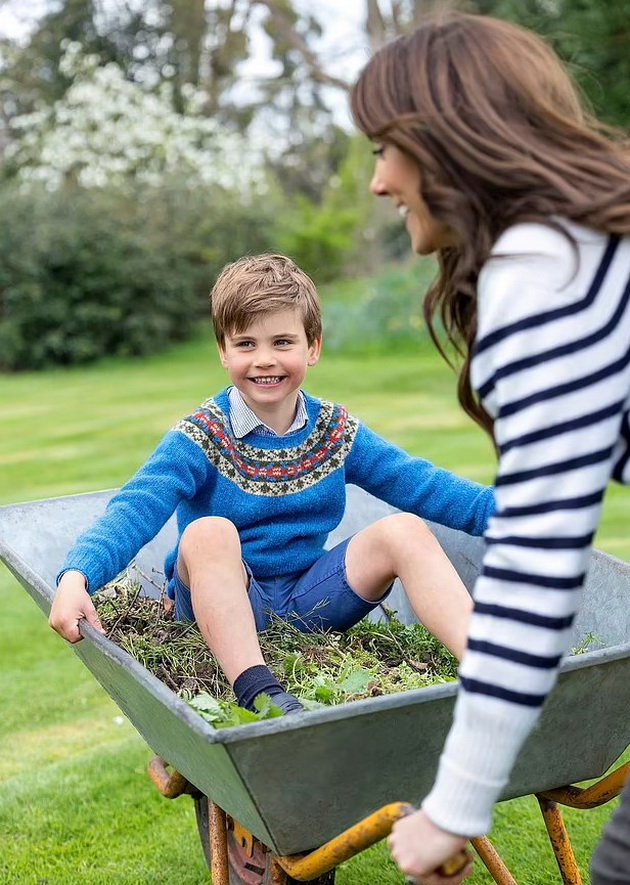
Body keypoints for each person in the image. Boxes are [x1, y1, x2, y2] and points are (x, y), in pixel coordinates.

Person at [351, 10, 630, 885]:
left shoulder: (541, 277)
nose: (377, 183)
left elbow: (538, 567)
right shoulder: (589, 246)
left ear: (444, 144)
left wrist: (454, 805)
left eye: (384, 149)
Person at [49, 252, 494, 718]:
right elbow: (136, 506)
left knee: (404, 529)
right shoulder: (202, 435)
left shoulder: (334, 430)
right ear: (223, 351)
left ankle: (488, 671)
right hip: (220, 605)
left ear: (312, 347)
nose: (265, 360)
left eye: (283, 341)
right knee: (207, 532)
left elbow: (422, 485)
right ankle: (259, 692)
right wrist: (78, 574)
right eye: (245, 344)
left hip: (310, 600)